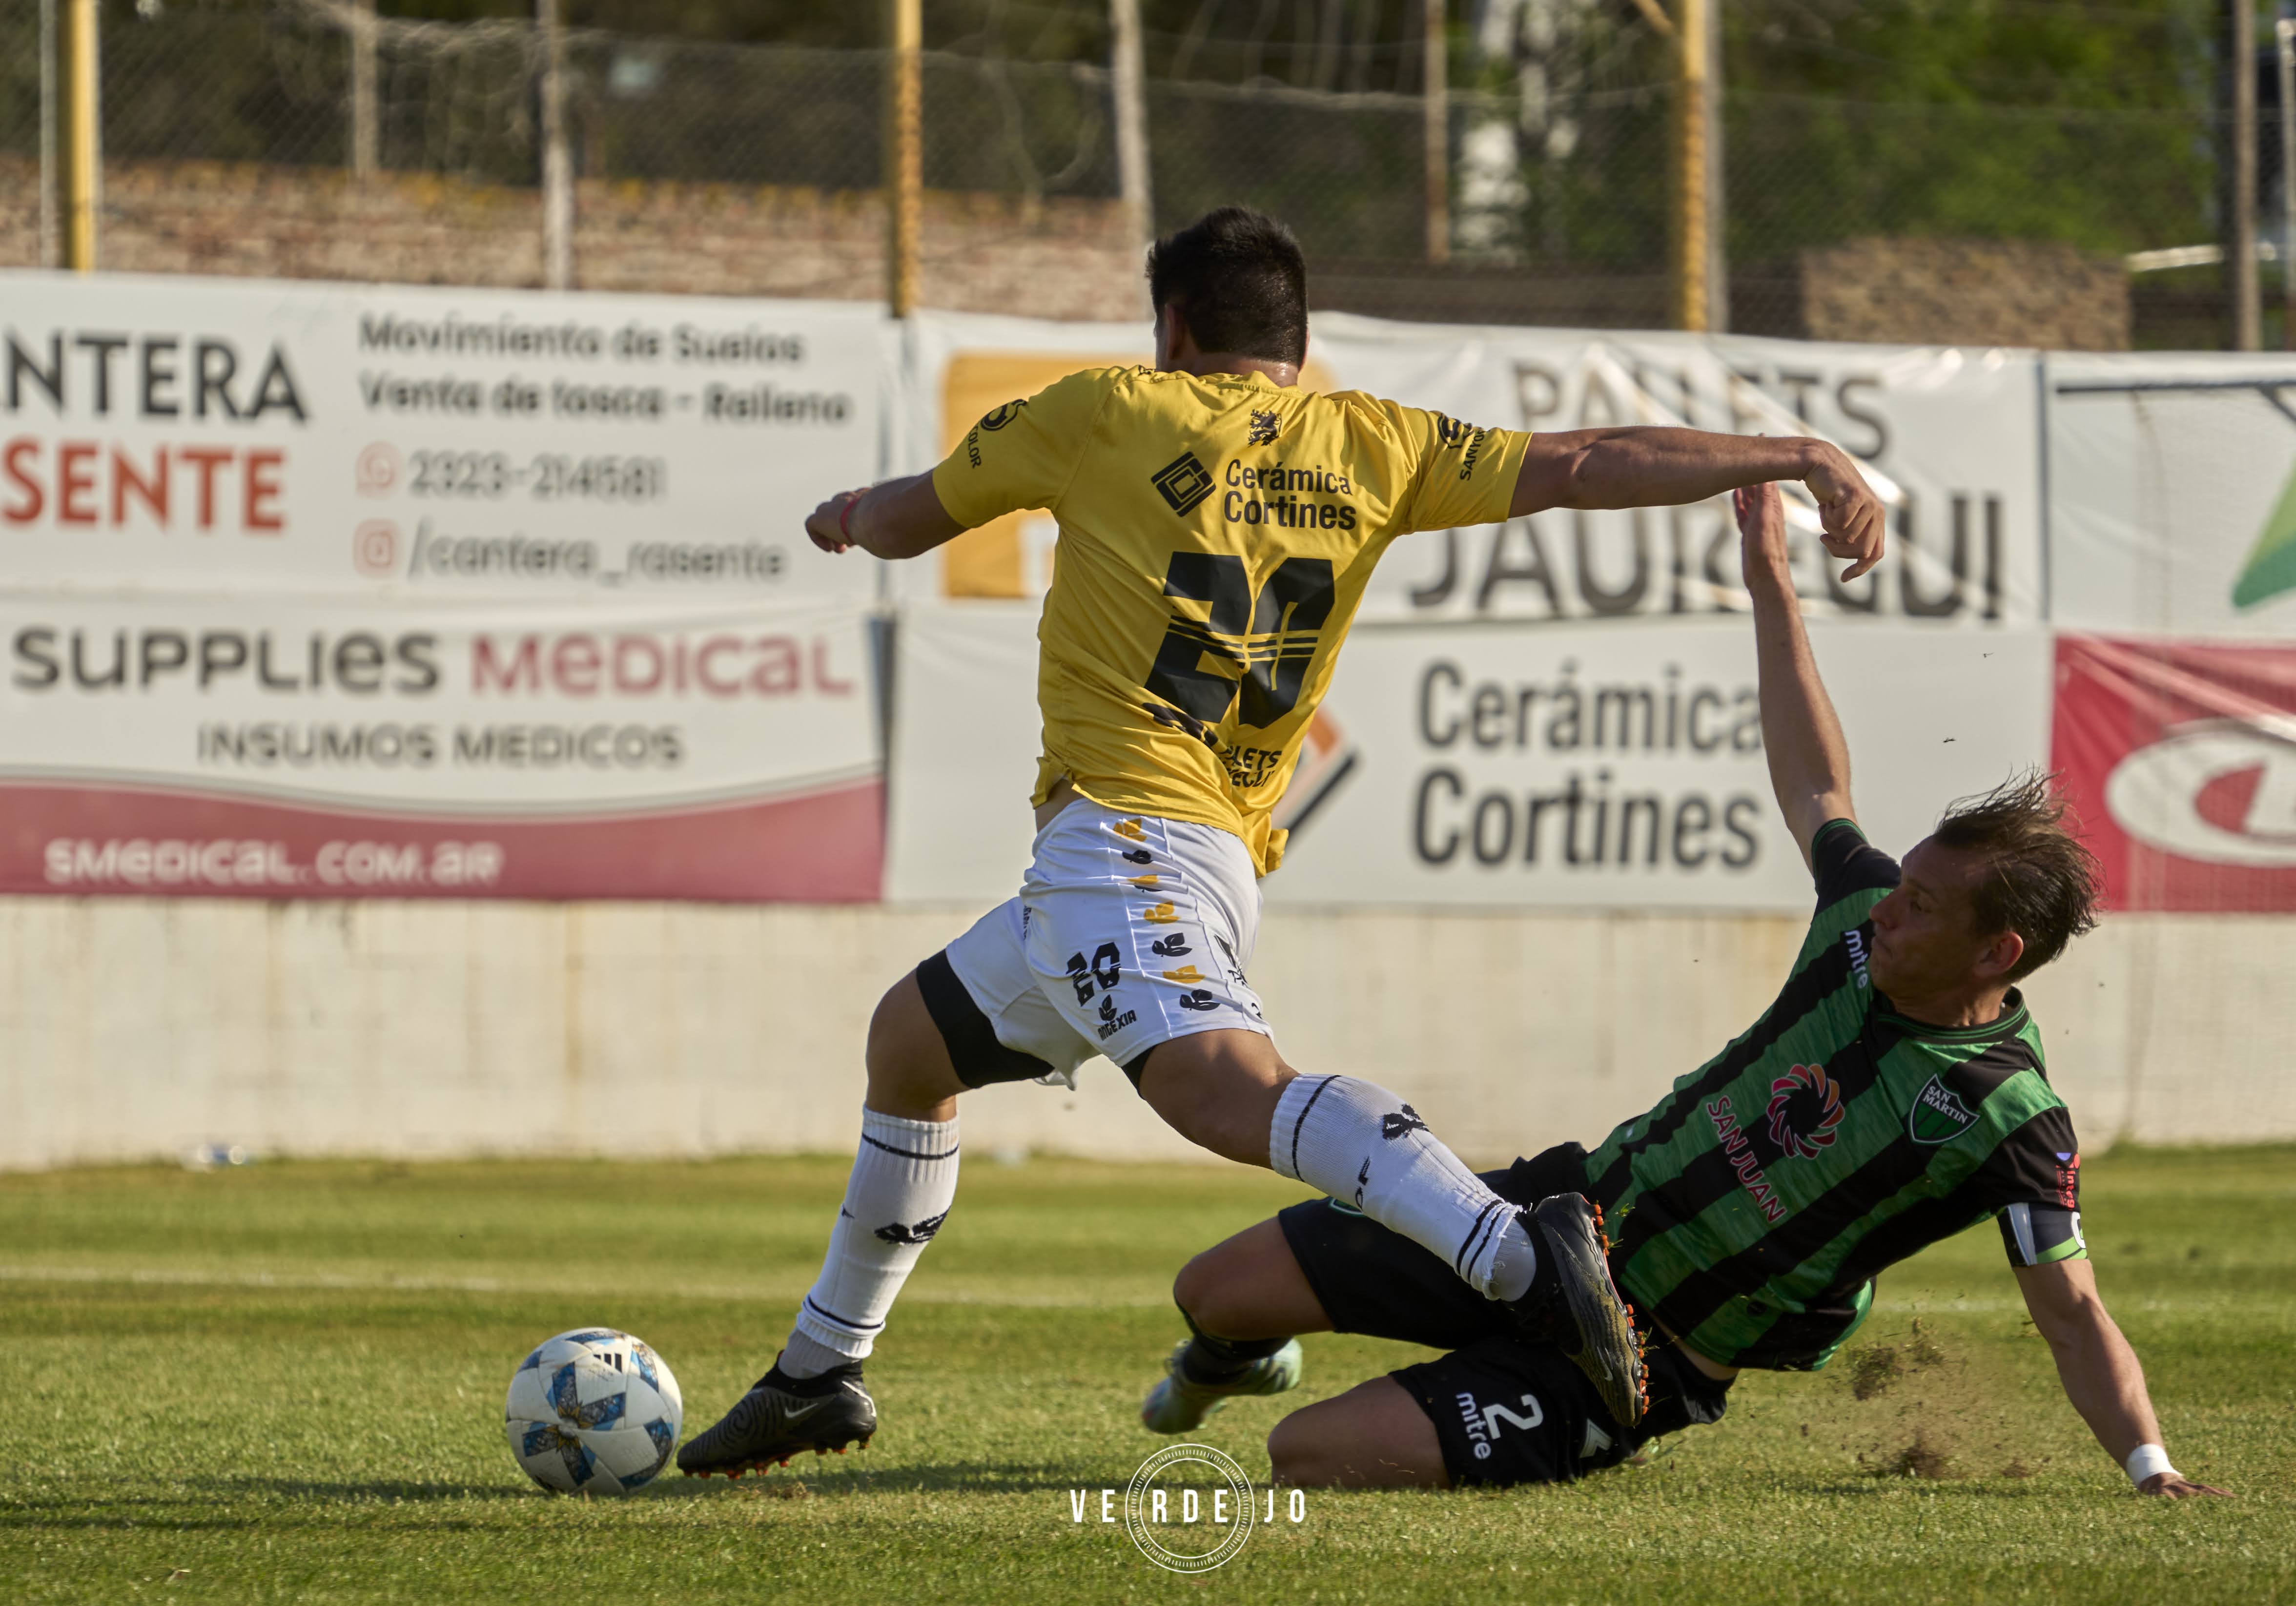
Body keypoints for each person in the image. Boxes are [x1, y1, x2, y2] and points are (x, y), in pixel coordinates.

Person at [679, 208, 1889, 1478]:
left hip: (1126, 846)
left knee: (1224, 1091)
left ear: (1173, 328)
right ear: (1297, 343)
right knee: (910, 1043)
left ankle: (1524, 1257)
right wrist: (1794, 453)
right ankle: (822, 1369)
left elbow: (906, 522)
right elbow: (1594, 458)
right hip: (1180, 854)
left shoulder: (1104, 411)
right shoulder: (1373, 442)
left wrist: (843, 514)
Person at [1135, 479, 2232, 1503]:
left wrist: (2147, 1466)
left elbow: (2071, 1312)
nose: (1890, 904)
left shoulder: (2010, 1119)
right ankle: (1232, 1355)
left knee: (1303, 1458)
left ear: (1996, 955)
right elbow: (1815, 780)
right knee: (1212, 1285)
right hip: (1551, 1220)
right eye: (1902, 882)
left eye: (1926, 907)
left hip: (1646, 1357)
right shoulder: (1859, 914)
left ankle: (1544, 1414)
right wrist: (1768, 581)